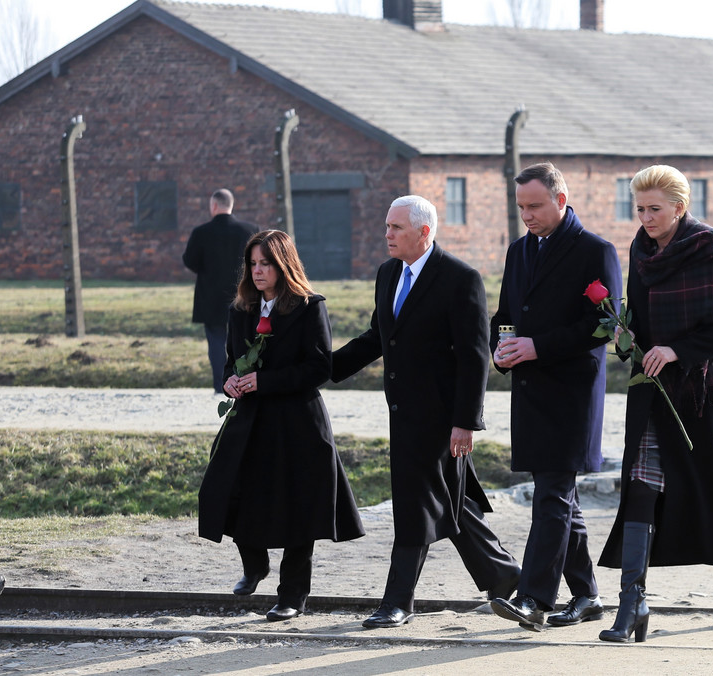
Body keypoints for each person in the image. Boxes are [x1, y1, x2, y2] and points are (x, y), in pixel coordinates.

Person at [331, 195, 521, 629]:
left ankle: (398, 600)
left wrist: (466, 421)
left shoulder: (460, 278)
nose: (387, 235)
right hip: (403, 412)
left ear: (423, 231)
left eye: (396, 227)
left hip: (442, 416)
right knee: (447, 500)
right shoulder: (387, 273)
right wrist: (323, 367)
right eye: (387, 226)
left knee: (416, 503)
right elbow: (378, 336)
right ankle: (505, 574)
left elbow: (475, 356)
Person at [596, 165, 713, 643]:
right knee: (641, 486)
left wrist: (676, 350)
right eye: (639, 209)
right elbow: (641, 315)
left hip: (697, 389)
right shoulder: (640, 248)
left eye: (654, 209)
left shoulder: (711, 249)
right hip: (650, 386)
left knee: (712, 486)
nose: (645, 218)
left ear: (679, 208)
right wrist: (628, 336)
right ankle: (633, 604)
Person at [197, 229, 364, 622]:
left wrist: (263, 381)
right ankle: (254, 564)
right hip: (251, 419)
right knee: (229, 486)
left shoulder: (309, 307)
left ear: (283, 263)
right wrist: (230, 380)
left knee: (298, 508)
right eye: (253, 264)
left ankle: (292, 596)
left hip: (297, 422)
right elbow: (229, 359)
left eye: (265, 263)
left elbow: (319, 367)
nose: (257, 271)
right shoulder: (240, 310)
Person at [489, 163, 621, 631]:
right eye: (521, 206)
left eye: (535, 205)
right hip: (529, 390)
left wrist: (536, 346)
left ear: (561, 200)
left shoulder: (596, 251)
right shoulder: (519, 251)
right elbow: (505, 315)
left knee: (551, 497)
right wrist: (502, 349)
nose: (526, 214)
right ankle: (586, 595)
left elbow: (605, 326)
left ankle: (532, 599)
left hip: (571, 396)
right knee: (560, 499)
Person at [183, 189, 259, 393]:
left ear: (214, 206)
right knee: (245, 340)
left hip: (211, 297)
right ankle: (247, 384)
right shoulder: (250, 230)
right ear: (231, 204)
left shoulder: (200, 233)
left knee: (216, 342)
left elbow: (189, 261)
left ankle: (221, 385)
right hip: (242, 295)